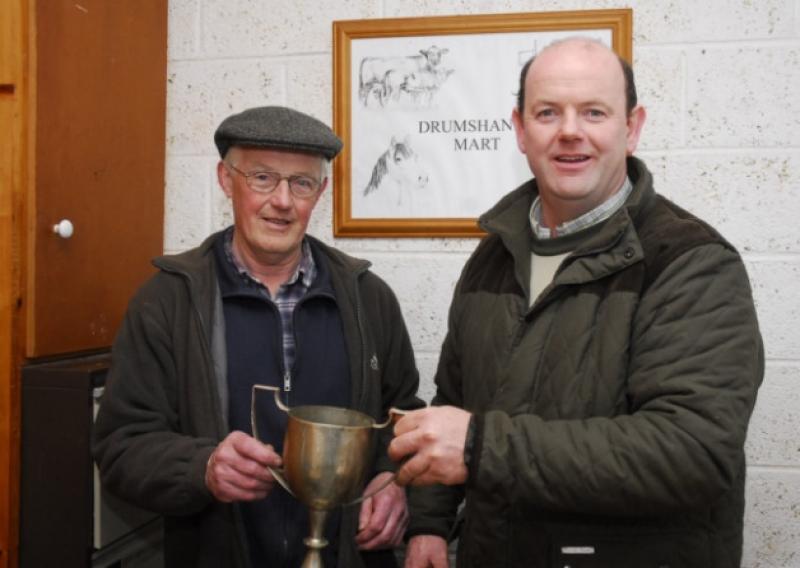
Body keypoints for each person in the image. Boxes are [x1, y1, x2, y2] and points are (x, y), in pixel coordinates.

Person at [388, 38, 764, 568]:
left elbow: (693, 451)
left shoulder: (691, 263)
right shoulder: (494, 256)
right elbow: (453, 400)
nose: (569, 131)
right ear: (520, 130)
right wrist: (429, 523)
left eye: (593, 111)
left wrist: (480, 447)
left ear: (631, 128)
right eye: (548, 113)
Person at [93, 105, 423, 568]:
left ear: (320, 191)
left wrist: (393, 483)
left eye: (301, 183)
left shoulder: (369, 298)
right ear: (226, 180)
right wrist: (201, 468)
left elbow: (403, 419)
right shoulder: (167, 301)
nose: (283, 201)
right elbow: (121, 446)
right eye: (263, 178)